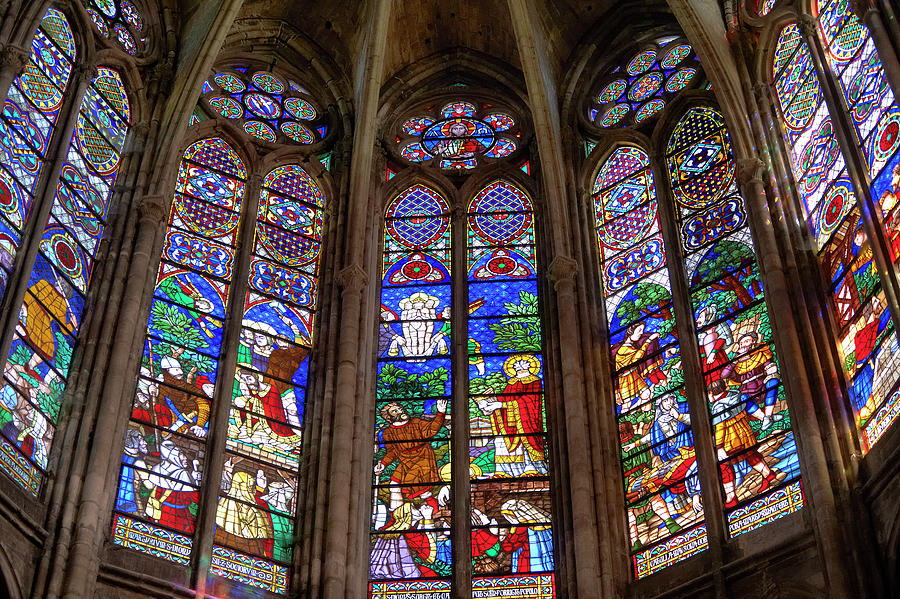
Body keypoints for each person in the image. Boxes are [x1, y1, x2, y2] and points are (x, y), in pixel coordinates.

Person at [708, 379, 780, 508]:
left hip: (731, 439)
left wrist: (719, 447)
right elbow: (747, 412)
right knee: (751, 455)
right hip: (745, 433)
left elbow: (720, 428)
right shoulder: (736, 395)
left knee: (725, 467)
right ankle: (768, 474)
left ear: (712, 394)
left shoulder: (719, 406)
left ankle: (731, 497)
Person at [478, 354, 546, 477]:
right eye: (516, 366)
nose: (519, 367)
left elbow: (530, 401)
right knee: (500, 441)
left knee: (525, 441)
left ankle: (530, 469)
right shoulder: (511, 383)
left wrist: (501, 405)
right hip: (509, 421)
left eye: (523, 365)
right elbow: (503, 398)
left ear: (530, 366)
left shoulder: (535, 381)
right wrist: (488, 402)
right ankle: (504, 472)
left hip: (527, 420)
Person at [374, 399, 447, 510]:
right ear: (388, 417)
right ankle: (398, 518)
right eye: (395, 411)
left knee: (417, 485)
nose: (400, 411)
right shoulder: (388, 433)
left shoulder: (416, 422)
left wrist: (441, 413)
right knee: (394, 486)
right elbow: (392, 452)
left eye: (400, 409)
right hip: (405, 460)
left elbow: (431, 430)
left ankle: (433, 510)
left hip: (423, 457)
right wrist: (383, 464)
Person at [215, 459, 275, 558]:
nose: (253, 491)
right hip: (248, 547)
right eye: (251, 487)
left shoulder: (223, 502)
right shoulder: (253, 508)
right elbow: (262, 531)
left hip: (223, 543)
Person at [724, 332, 780, 430]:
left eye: (746, 341)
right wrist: (736, 361)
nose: (743, 345)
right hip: (748, 391)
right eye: (741, 343)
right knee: (742, 399)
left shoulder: (760, 354)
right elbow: (724, 375)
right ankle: (765, 418)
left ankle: (768, 415)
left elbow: (770, 366)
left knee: (773, 382)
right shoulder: (736, 363)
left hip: (763, 387)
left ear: (753, 342)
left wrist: (770, 369)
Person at [144, 439, 201, 533]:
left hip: (160, 512)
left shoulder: (158, 469)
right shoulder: (183, 474)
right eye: (181, 455)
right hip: (178, 517)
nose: (185, 458)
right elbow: (195, 497)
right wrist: (195, 482)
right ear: (173, 458)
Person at [614, 322, 667, 412]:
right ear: (630, 333)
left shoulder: (631, 346)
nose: (641, 333)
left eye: (642, 330)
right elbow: (636, 358)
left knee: (646, 394)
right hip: (625, 381)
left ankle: (646, 415)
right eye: (639, 330)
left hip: (634, 376)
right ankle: (628, 424)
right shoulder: (623, 349)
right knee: (626, 405)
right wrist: (648, 340)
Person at [499, 499, 553, 573]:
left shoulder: (522, 527)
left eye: (512, 516)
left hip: (527, 561)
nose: (510, 519)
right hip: (541, 559)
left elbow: (508, 547)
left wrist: (512, 531)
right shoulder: (539, 523)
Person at [116, 429, 149, 513]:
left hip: (128, 504)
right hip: (124, 504)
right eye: (141, 439)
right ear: (133, 440)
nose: (145, 443)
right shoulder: (137, 462)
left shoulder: (136, 459)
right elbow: (149, 486)